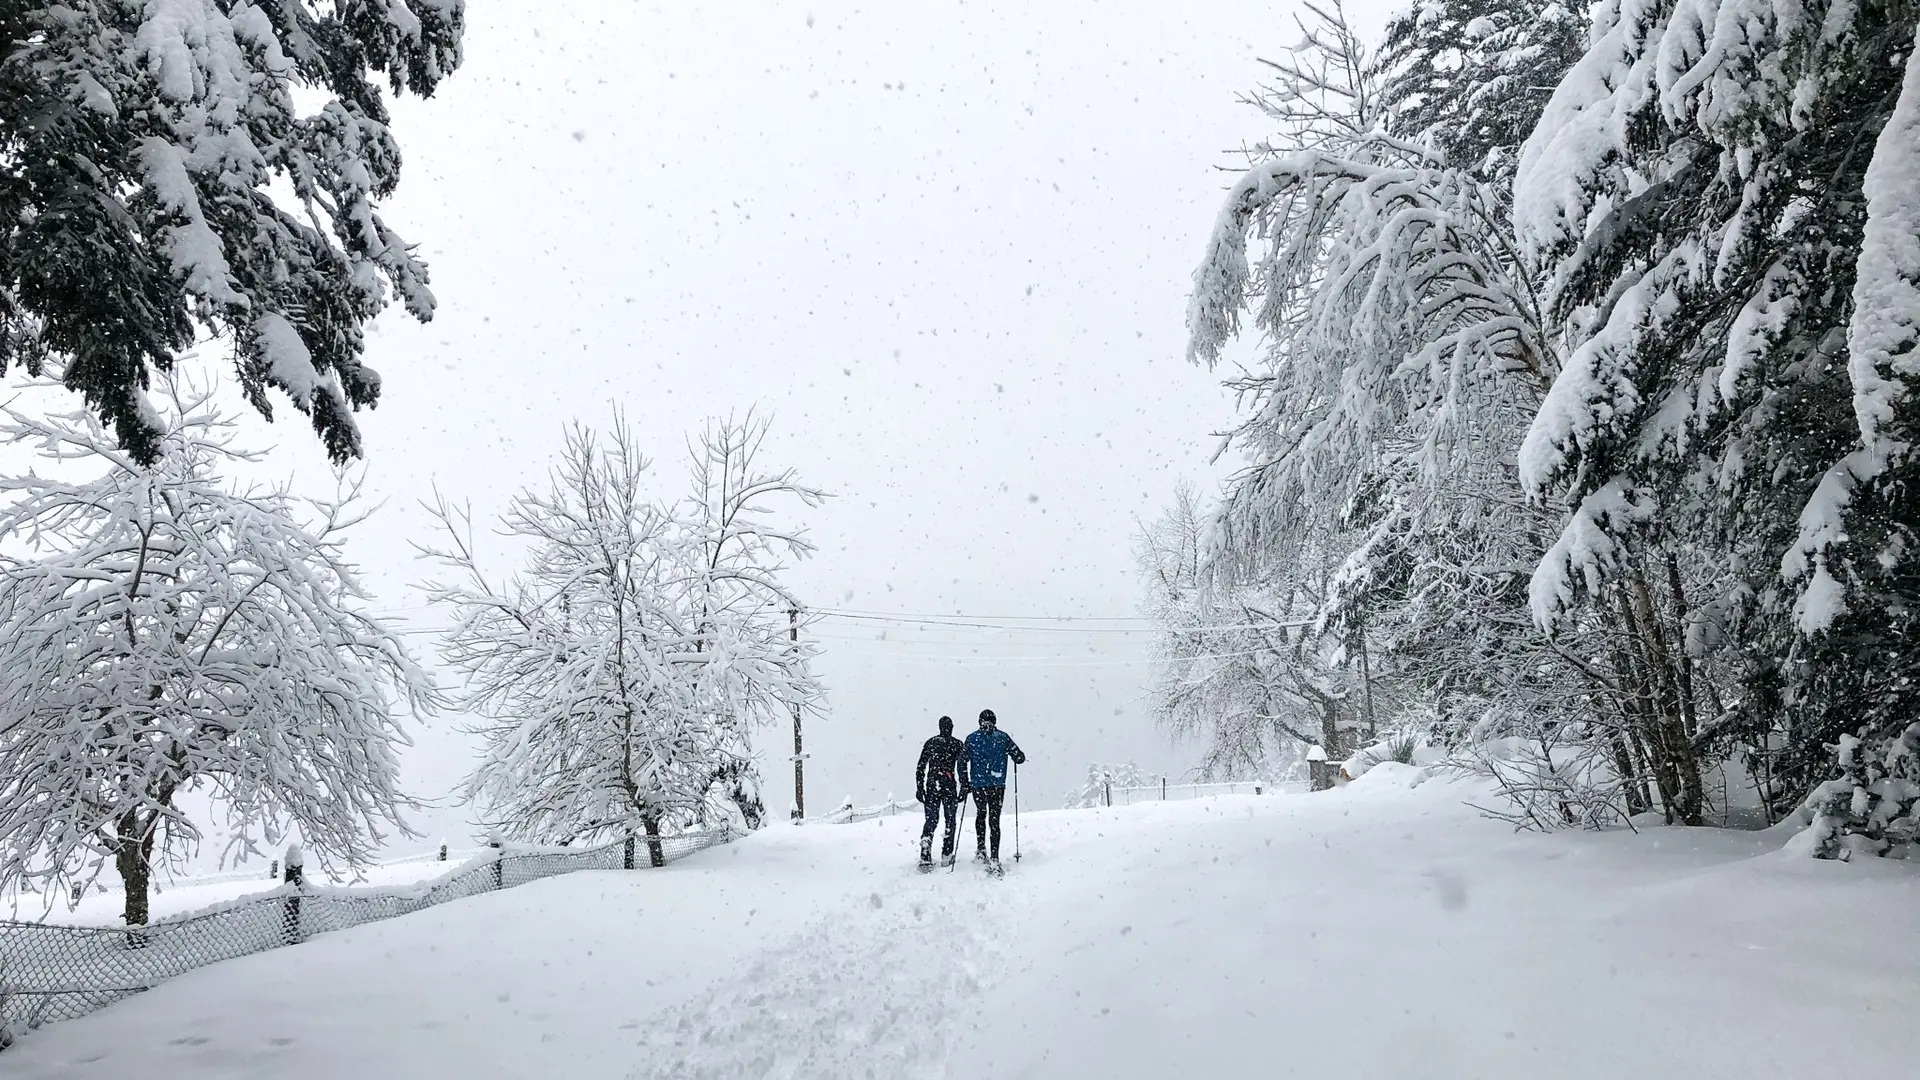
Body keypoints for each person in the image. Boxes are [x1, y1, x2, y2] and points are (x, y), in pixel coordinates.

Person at [960, 708, 1025, 871]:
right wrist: (1014, 756)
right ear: (994, 721)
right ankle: (995, 857)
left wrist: (965, 782)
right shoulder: (1002, 738)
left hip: (978, 784)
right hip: (997, 784)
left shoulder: (972, 738)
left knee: (981, 813)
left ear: (979, 721)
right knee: (994, 819)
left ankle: (981, 849)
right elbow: (1020, 757)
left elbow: (961, 761)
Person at [915, 715, 967, 867]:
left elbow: (921, 766)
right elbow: (962, 766)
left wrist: (920, 787)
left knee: (931, 819)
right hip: (949, 783)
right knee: (950, 819)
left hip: (932, 783)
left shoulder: (931, 742)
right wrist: (964, 785)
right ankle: (947, 853)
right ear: (951, 728)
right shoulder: (957, 744)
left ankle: (926, 846)